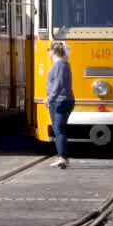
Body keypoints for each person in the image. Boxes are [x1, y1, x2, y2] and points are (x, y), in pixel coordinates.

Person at [46, 41, 75, 169]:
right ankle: (62, 157)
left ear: (53, 51)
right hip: (59, 100)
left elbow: (58, 84)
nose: (47, 52)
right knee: (58, 129)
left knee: (59, 129)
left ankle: (62, 157)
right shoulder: (61, 64)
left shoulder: (60, 64)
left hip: (60, 100)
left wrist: (50, 99)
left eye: (48, 49)